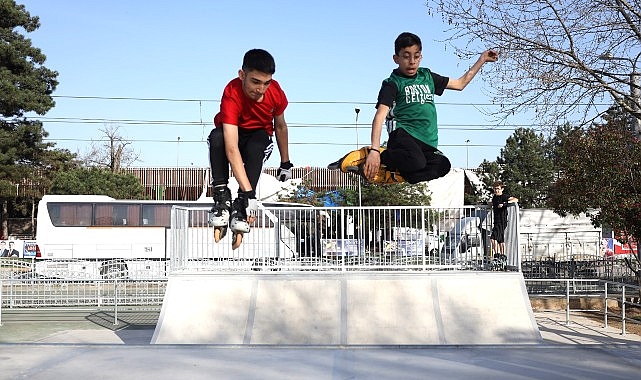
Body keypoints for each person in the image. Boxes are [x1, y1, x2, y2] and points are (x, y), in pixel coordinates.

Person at [364, 32, 498, 184]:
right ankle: (380, 157)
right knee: (417, 161)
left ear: (421, 57)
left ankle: (396, 173)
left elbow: (460, 84)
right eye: (406, 56)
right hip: (402, 134)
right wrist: (375, 149)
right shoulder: (392, 83)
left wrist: (482, 60)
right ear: (396, 59)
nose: (412, 61)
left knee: (442, 165)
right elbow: (380, 116)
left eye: (416, 56)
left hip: (425, 141)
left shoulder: (427, 76)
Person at [208, 49, 293, 235]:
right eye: (255, 82)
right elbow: (231, 148)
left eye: (266, 83)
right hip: (233, 136)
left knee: (256, 145)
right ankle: (222, 197)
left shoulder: (276, 92)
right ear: (242, 75)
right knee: (216, 137)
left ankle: (241, 203)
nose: (261, 90)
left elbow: (280, 127)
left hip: (258, 136)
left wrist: (285, 163)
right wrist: (250, 193)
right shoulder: (232, 92)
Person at [489, 180, 518, 260]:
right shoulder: (495, 197)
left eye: (498, 188)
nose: (496, 190)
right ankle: (503, 256)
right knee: (500, 240)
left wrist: (505, 204)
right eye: (495, 189)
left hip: (502, 221)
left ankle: (497, 256)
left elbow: (515, 199)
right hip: (496, 221)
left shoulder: (504, 196)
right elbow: (493, 203)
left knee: (493, 238)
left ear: (502, 189)